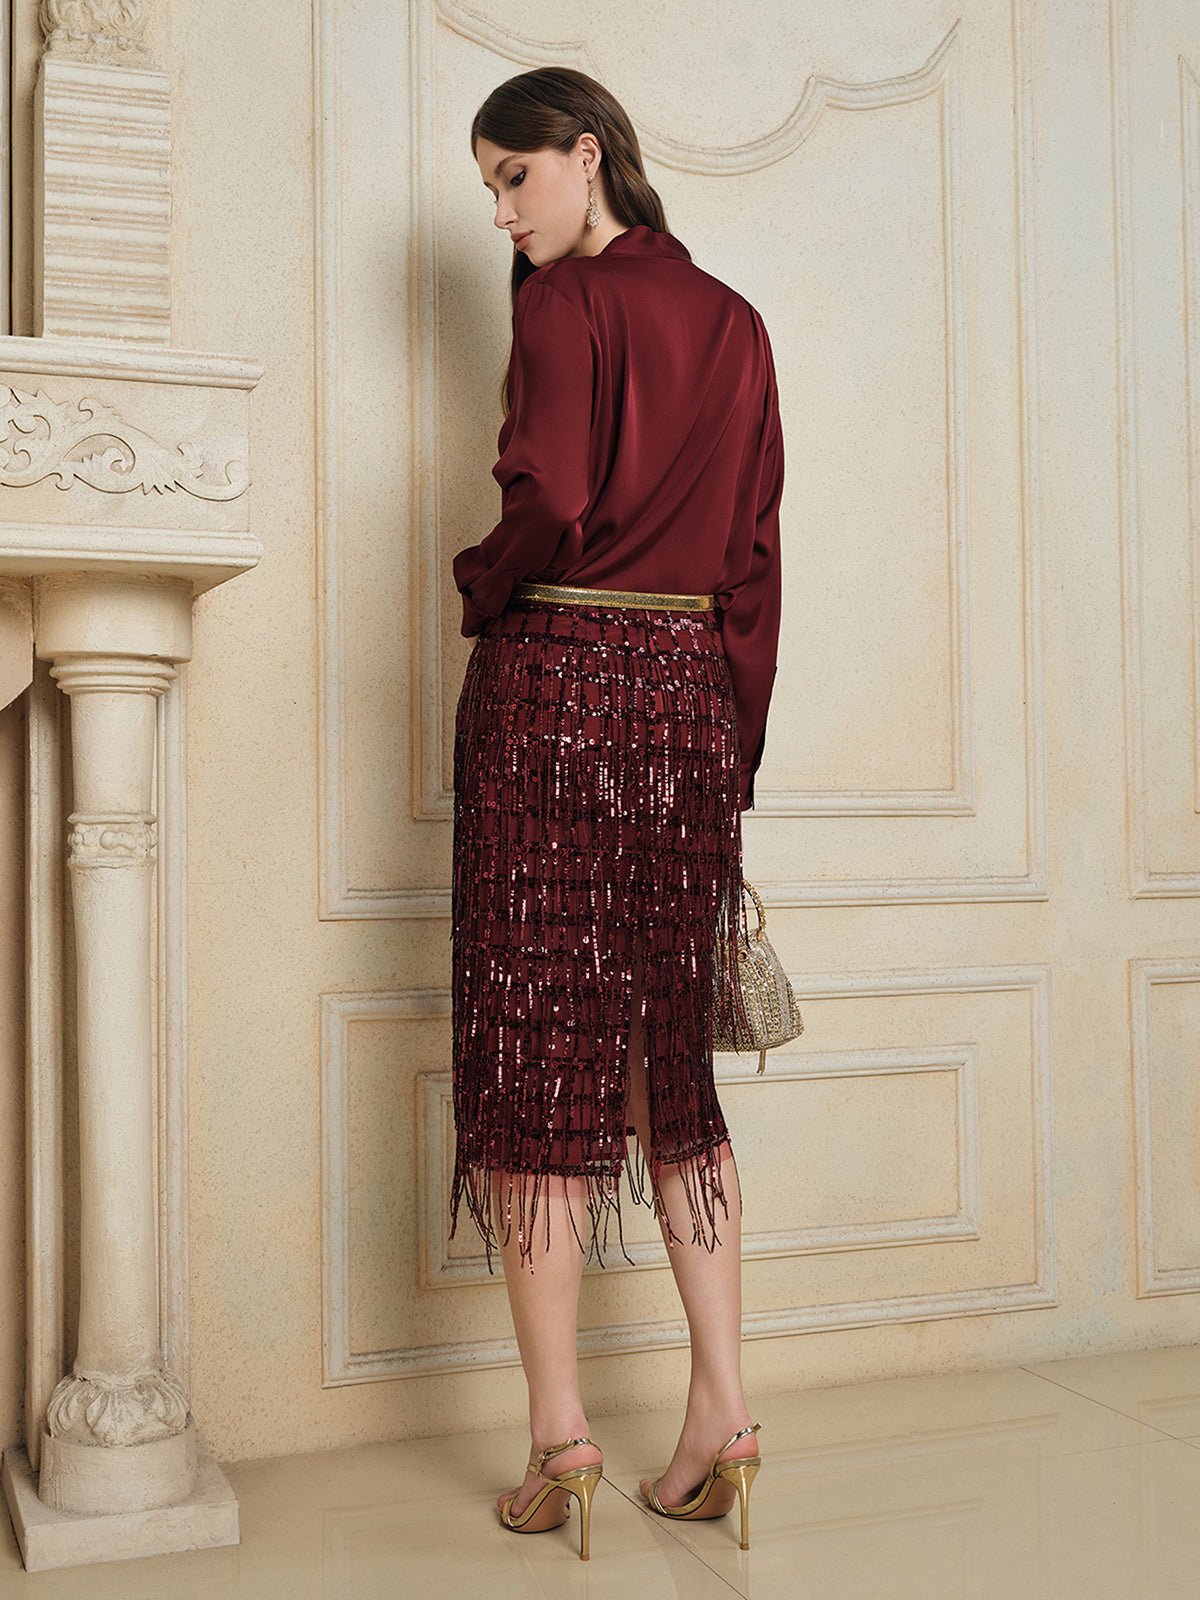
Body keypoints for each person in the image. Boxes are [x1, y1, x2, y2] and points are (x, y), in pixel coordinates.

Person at [449, 66, 783, 1561]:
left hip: (557, 686)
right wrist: (727, 752)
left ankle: (560, 1440)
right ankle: (723, 1416)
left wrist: (479, 583)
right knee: (669, 1069)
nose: (505, 215)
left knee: (537, 1053)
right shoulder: (738, 325)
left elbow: (552, 495)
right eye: (489, 192)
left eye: (515, 178)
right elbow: (758, 565)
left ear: (589, 160)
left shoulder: (561, 309)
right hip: (693, 709)